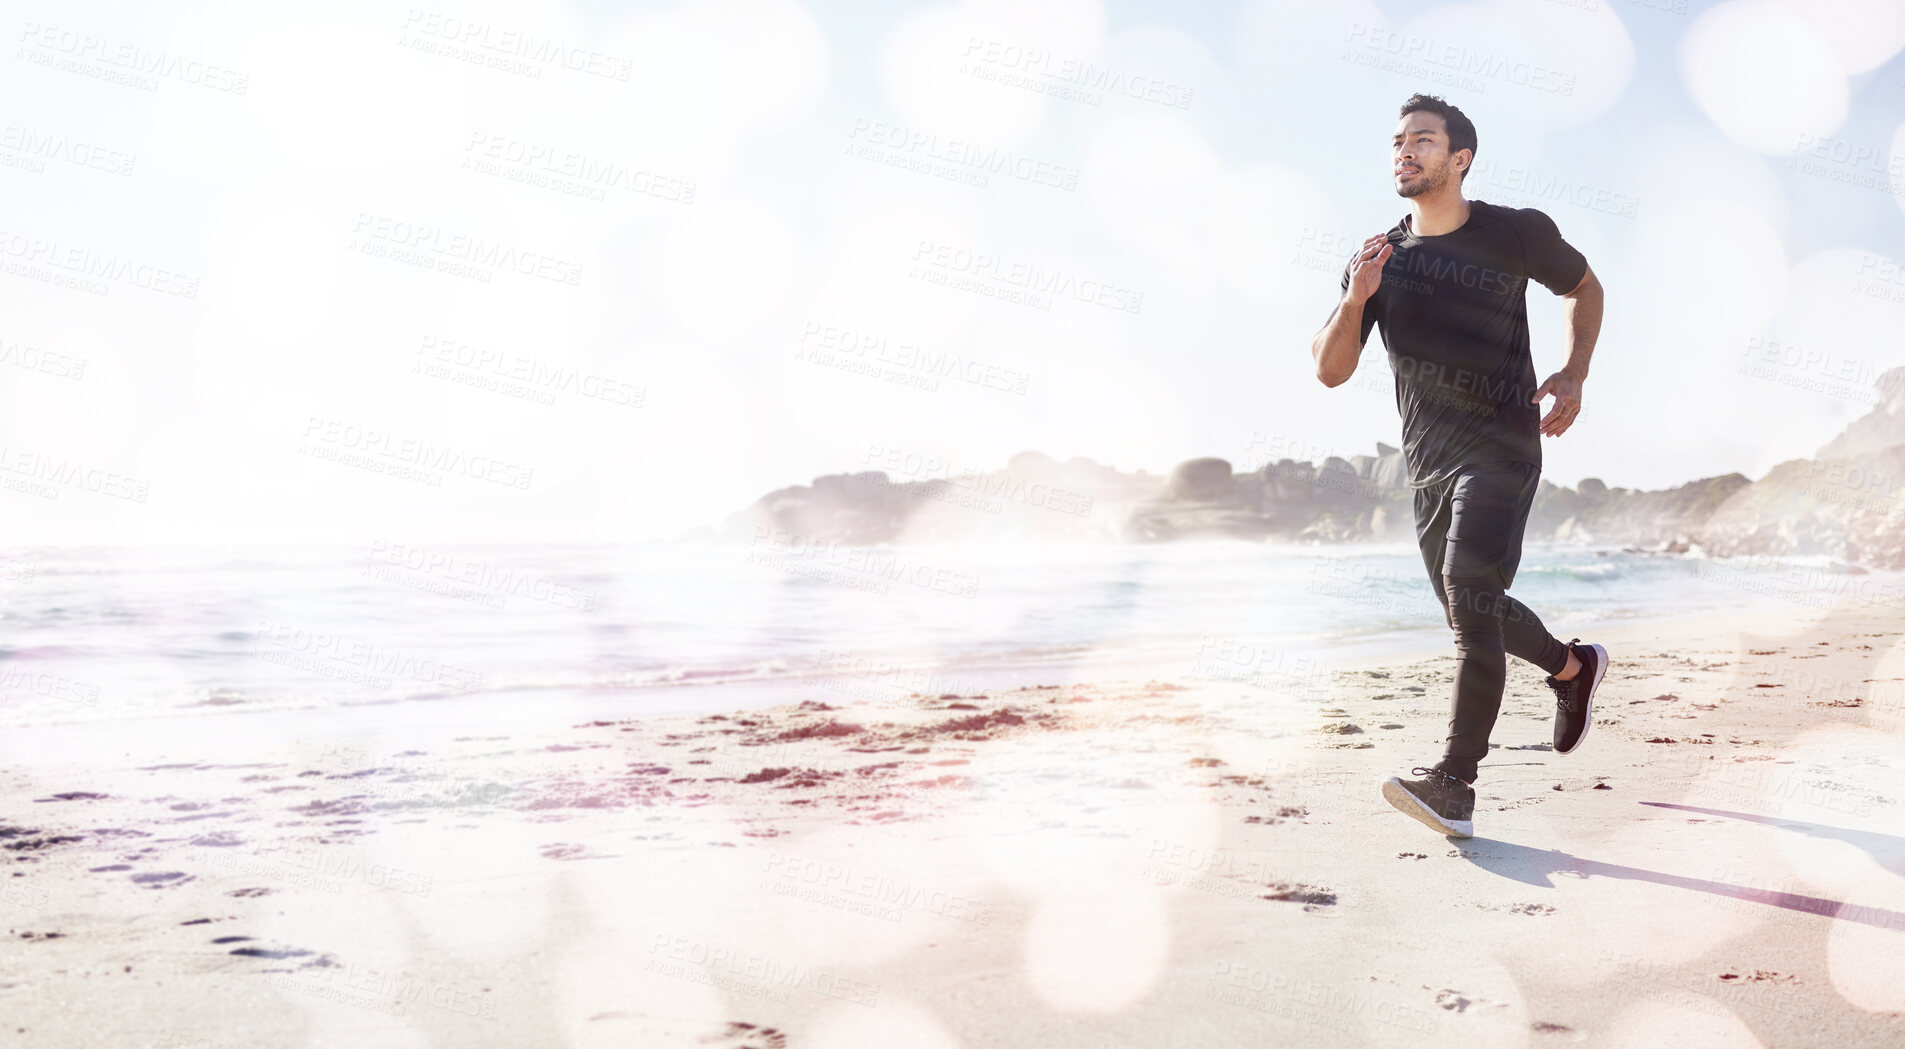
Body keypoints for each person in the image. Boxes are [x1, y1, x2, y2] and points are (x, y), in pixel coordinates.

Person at [1309, 93, 1609, 838]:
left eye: (1422, 140)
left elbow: (1583, 287)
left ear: (1459, 158)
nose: (1404, 151)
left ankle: (1454, 782)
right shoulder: (1375, 259)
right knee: (1468, 608)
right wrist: (1355, 300)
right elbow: (1329, 371)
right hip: (1428, 464)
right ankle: (1572, 668)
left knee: (1468, 593)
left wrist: (1573, 372)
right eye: (1397, 142)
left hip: (1502, 447)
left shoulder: (1515, 233)